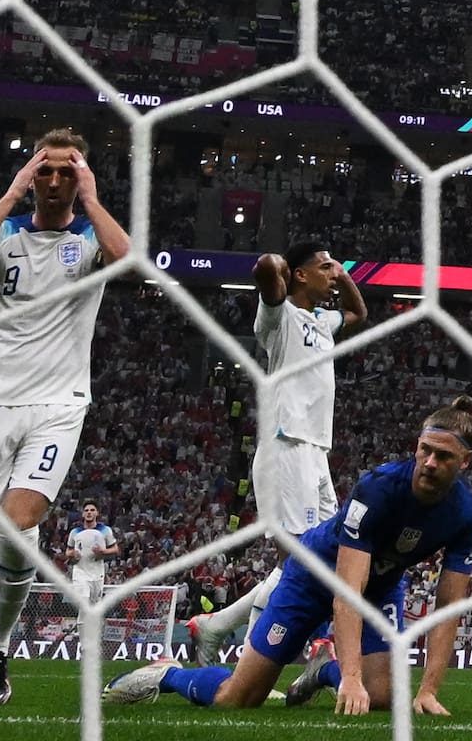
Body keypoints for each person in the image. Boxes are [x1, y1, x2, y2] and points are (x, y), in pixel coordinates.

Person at [104, 397, 472, 716]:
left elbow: (448, 609)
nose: (430, 463)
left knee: (384, 699)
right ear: (416, 446)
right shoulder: (379, 488)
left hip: (379, 590)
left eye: (444, 456)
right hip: (313, 577)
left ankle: (323, 671)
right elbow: (347, 591)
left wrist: (428, 691)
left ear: (465, 462)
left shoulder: (468, 515)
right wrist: (352, 678)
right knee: (238, 700)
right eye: (425, 450)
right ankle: (167, 674)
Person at [0, 128, 130, 706]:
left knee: (18, 526)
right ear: (31, 173)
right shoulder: (8, 232)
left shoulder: (89, 239)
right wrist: (11, 193)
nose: (56, 180)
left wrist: (92, 198)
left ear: (82, 177)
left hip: (58, 404)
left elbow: (130, 263)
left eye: (68, 171)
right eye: (47, 170)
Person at [189, 241, 366, 665]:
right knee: (303, 561)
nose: (333, 274)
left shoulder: (322, 321)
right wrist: (284, 267)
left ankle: (214, 626)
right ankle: (276, 656)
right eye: (324, 268)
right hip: (286, 445)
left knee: (325, 555)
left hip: (315, 450)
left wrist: (341, 273)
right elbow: (267, 268)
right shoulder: (278, 316)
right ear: (300, 275)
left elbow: (360, 315)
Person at [65, 500, 120, 607]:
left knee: (94, 605)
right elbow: (68, 551)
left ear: (97, 513)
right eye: (86, 510)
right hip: (80, 572)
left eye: (92, 510)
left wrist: (103, 551)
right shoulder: (75, 532)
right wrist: (73, 553)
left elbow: (115, 549)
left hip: (97, 572)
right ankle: (81, 624)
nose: (89, 512)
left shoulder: (105, 530)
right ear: (83, 514)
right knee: (83, 601)